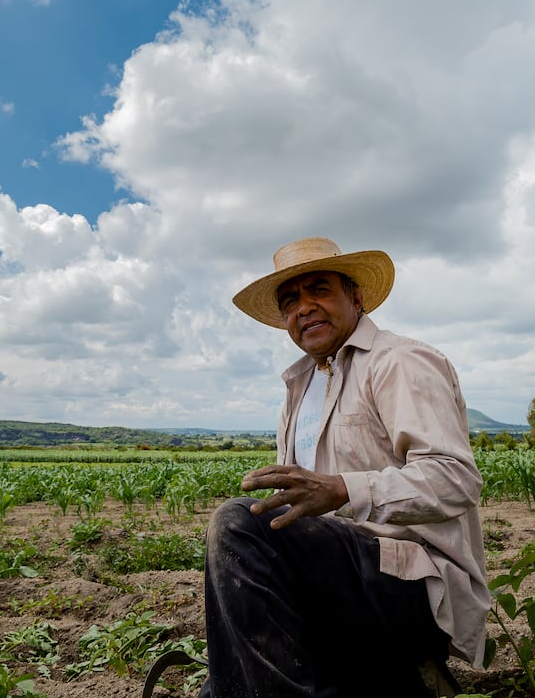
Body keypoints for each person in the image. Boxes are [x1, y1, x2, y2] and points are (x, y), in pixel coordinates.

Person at [199, 236, 489, 698]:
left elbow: (456, 479)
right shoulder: (299, 387)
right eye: (291, 300)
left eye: (319, 290)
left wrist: (343, 490)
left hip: (411, 582)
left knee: (238, 524)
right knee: (259, 531)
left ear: (355, 297)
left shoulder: (399, 362)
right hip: (338, 582)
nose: (305, 308)